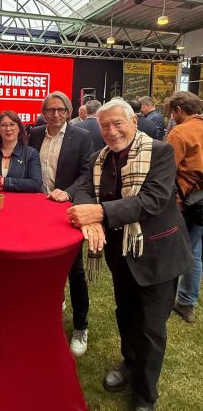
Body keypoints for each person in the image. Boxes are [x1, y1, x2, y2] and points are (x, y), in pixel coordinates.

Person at [67, 98, 193, 411]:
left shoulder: (160, 152)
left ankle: (144, 395)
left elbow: (152, 200)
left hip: (158, 255)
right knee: (125, 314)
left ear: (133, 122)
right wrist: (88, 213)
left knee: (151, 329)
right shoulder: (99, 158)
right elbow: (83, 189)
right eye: (105, 126)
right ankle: (129, 362)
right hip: (121, 253)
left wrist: (98, 212)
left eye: (117, 123)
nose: (111, 131)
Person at [28, 91, 93, 357]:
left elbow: (87, 174)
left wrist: (67, 192)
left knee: (74, 269)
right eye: (50, 110)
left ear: (68, 112)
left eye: (61, 110)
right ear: (43, 113)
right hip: (37, 212)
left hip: (66, 211)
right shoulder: (35, 134)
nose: (55, 115)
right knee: (42, 264)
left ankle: (80, 326)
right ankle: (54, 303)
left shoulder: (82, 137)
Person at [166, 91, 203, 323]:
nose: (172, 116)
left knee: (179, 250)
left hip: (186, 201)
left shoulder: (180, 132)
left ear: (179, 110)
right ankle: (187, 302)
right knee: (196, 250)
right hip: (200, 200)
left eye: (173, 112)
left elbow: (167, 169)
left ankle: (172, 299)